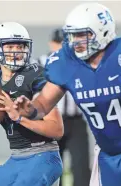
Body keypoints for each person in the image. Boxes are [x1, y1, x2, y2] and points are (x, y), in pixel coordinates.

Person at [10, 3, 121, 186]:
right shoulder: (65, 63)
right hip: (108, 153)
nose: (76, 42)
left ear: (103, 31)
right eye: (73, 35)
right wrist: (29, 109)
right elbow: (43, 104)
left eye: (82, 35)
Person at [0, 22, 63, 186]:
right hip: (16, 157)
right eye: (10, 46)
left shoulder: (36, 76)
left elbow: (56, 129)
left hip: (44, 156)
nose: (16, 51)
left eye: (20, 46)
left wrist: (19, 117)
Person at [36, 28, 90, 186]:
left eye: (64, 43)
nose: (61, 47)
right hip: (51, 120)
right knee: (52, 167)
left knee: (81, 167)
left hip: (76, 121)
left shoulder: (80, 61)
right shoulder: (41, 62)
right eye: (58, 43)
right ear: (51, 43)